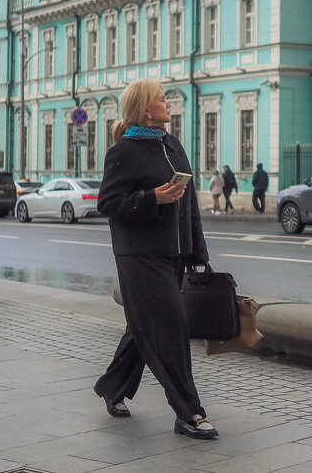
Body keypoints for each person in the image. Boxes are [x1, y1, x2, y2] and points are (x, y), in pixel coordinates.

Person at [93, 79, 218, 440]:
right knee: (171, 328)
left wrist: (198, 254)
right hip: (139, 257)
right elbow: (108, 203)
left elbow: (189, 202)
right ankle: (188, 412)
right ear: (147, 108)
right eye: (162, 99)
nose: (168, 103)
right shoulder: (123, 152)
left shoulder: (172, 145)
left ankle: (113, 388)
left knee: (142, 328)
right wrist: (152, 199)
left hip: (173, 253)